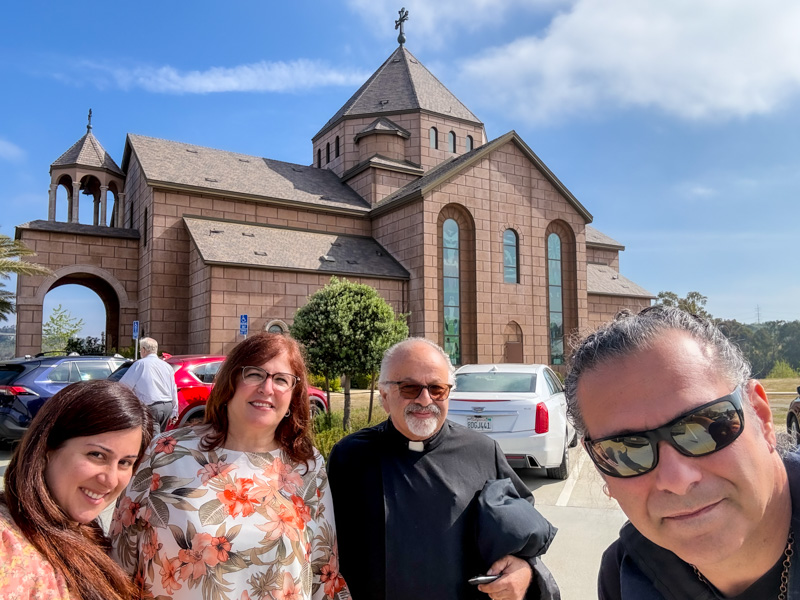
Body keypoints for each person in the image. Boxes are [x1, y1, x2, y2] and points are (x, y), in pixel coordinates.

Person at [564, 306, 799, 599]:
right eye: (626, 450)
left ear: (761, 417)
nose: (676, 480)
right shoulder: (623, 578)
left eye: (705, 427)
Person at [110, 332, 349, 600]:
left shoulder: (307, 465)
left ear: (293, 397)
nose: (267, 388)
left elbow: (323, 571)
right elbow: (120, 558)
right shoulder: (167, 452)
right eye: (254, 374)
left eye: (281, 380)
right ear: (230, 382)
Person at [327, 337, 559, 600]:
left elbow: (519, 532)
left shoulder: (482, 452)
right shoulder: (350, 456)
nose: (425, 399)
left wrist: (524, 571)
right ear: (384, 396)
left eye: (437, 389)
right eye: (410, 388)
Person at [0, 379, 153, 600]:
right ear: (47, 450)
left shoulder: (79, 530)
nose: (110, 481)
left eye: (125, 463)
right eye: (97, 455)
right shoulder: (8, 542)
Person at [120, 336, 179, 433]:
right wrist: (175, 410)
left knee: (152, 438)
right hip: (167, 406)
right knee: (159, 437)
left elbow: (124, 386)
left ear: (143, 349)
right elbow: (173, 389)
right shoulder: (167, 366)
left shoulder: (140, 364)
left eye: (140, 350)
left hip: (152, 407)